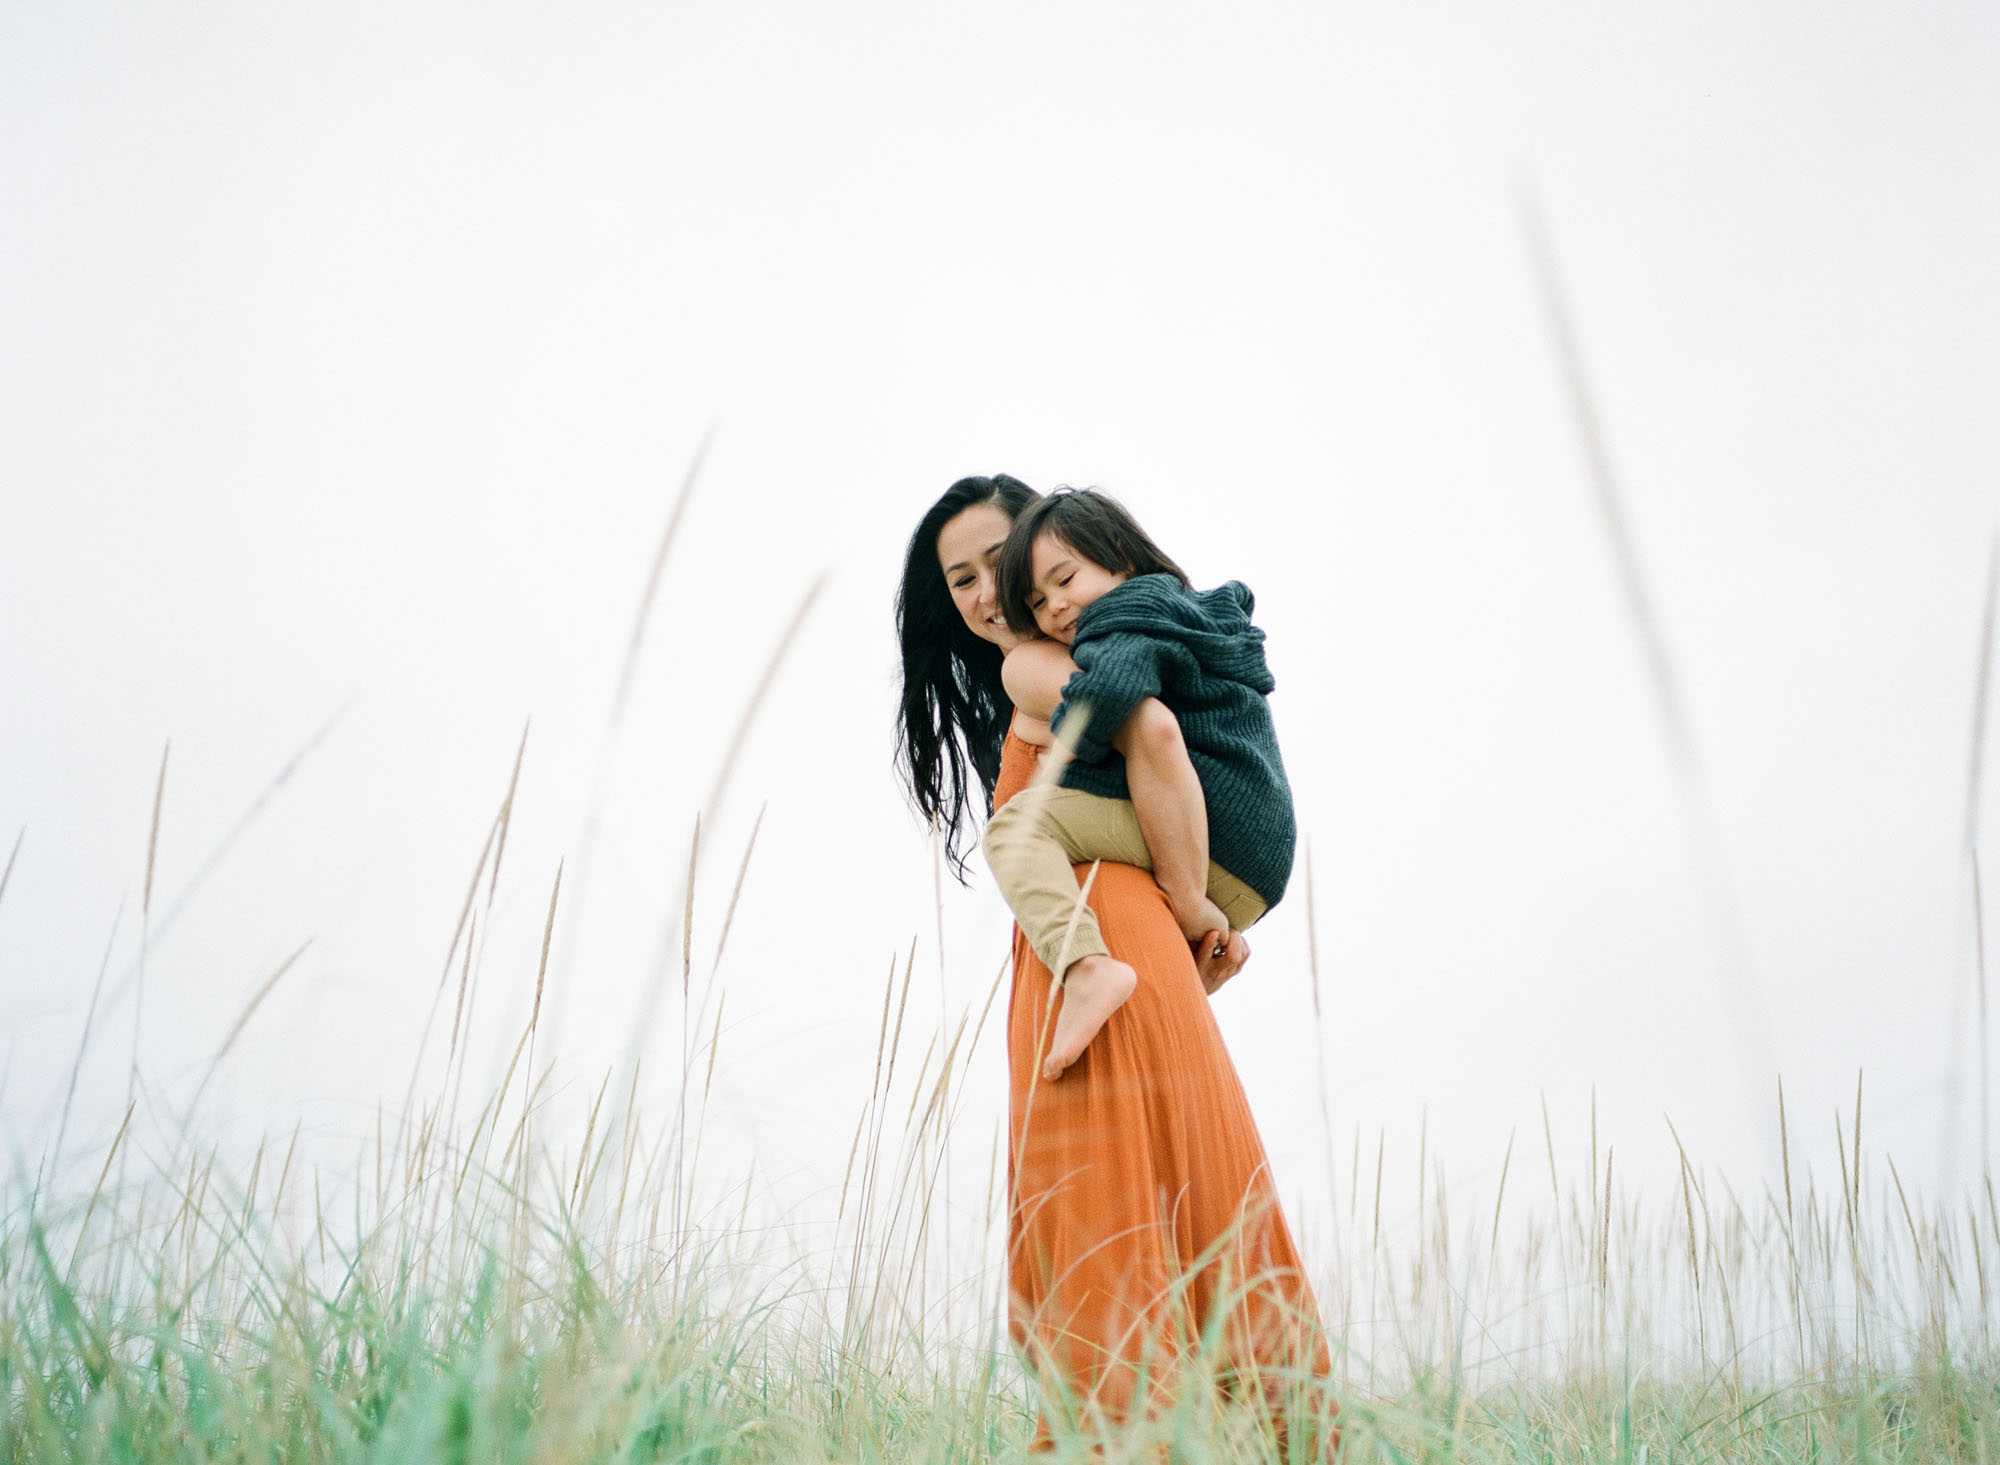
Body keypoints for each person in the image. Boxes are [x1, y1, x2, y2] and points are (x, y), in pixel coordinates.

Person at [895, 475, 1338, 1456]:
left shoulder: (1043, 665)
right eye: (957, 578)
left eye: (995, 560)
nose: (982, 591)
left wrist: (1184, 908)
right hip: (1110, 948)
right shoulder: (1064, 651)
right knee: (1196, 1191)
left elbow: (1147, 731)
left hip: (1106, 949)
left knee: (1108, 1205)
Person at [984, 487, 1296, 1081]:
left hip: (1214, 838)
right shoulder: (1176, 612)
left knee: (1016, 832)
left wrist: (1185, 898)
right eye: (1038, 600)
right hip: (1252, 858)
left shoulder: (1125, 616)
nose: (1055, 607)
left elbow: (1130, 709)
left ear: (1121, 560)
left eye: (1065, 578)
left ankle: (1087, 968)